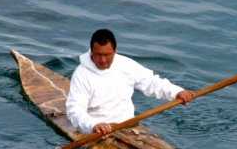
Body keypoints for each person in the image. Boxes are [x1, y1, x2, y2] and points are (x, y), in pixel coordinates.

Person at [66, 29, 194, 135]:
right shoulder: (81, 75)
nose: (103, 60)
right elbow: (75, 110)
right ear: (91, 51)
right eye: (98, 54)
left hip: (129, 127)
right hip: (98, 132)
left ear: (115, 51)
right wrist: (93, 125)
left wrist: (177, 92)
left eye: (107, 55)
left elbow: (151, 82)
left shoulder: (126, 65)